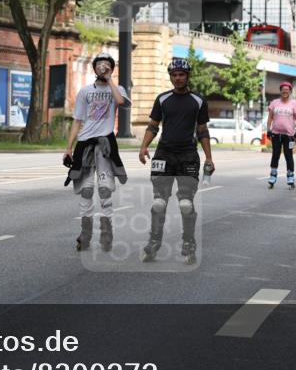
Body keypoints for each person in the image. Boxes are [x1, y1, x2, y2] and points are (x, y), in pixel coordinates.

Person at [138, 58, 214, 265]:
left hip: (188, 155)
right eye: (174, 75)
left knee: (186, 204)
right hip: (164, 154)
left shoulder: (198, 101)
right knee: (159, 202)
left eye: (181, 75)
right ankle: (153, 243)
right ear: (170, 77)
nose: (177, 78)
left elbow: (202, 131)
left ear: (187, 76)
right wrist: (144, 146)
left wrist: (209, 157)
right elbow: (153, 126)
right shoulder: (162, 99)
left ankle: (188, 244)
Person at [64, 53, 130, 251]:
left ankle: (107, 235)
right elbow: (77, 121)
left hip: (105, 146)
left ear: (111, 68)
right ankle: (85, 236)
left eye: (107, 65)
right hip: (85, 145)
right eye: (99, 65)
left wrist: (110, 79)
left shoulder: (117, 89)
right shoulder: (85, 91)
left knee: (104, 190)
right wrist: (68, 147)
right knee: (86, 191)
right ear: (94, 68)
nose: (103, 67)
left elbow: (120, 102)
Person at [266, 81, 296, 188]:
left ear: (290, 92)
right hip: (276, 134)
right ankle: (273, 175)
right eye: (283, 90)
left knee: (288, 156)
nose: (285, 92)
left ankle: (290, 176)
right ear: (280, 91)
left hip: (289, 135)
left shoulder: (293, 103)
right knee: (275, 155)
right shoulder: (274, 103)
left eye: (287, 90)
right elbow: (270, 117)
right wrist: (268, 129)